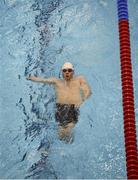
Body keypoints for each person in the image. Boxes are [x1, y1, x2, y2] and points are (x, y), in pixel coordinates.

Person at [27, 62, 92, 143]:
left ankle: (70, 144)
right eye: (64, 70)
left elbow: (88, 91)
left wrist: (82, 101)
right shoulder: (56, 81)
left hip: (73, 108)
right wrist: (33, 78)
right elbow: (43, 80)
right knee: (60, 134)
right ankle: (62, 149)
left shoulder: (79, 79)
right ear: (62, 72)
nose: (67, 72)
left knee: (68, 130)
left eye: (69, 70)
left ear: (73, 71)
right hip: (60, 109)